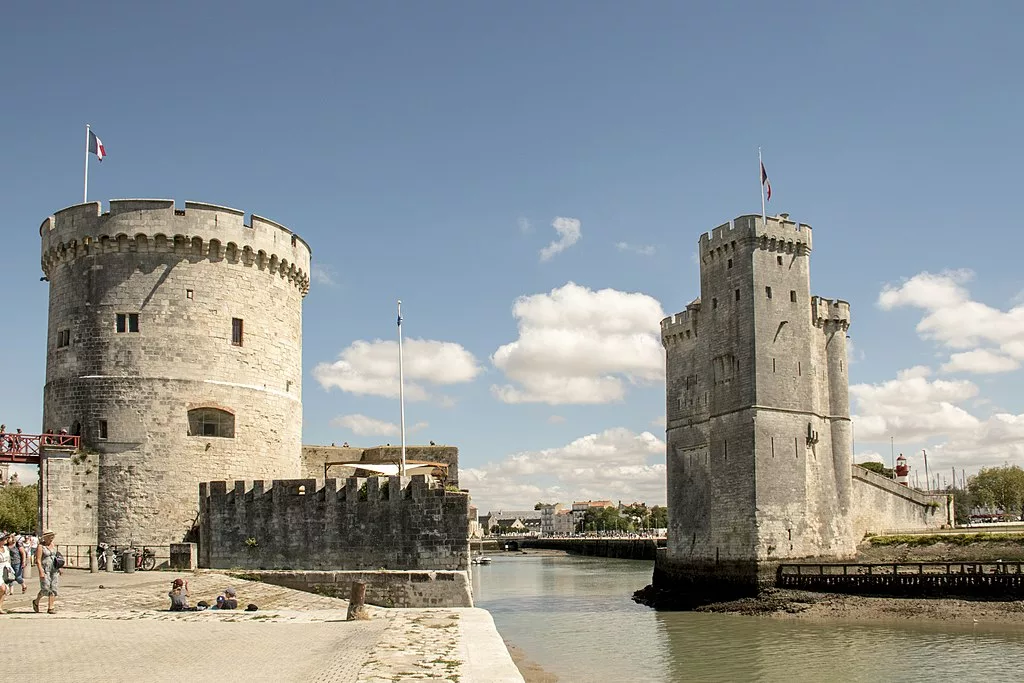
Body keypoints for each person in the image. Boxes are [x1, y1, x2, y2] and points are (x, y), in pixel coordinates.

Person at [33, 530, 60, 614]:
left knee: (53, 587)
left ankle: (51, 607)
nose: (52, 538)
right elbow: (38, 560)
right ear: (46, 537)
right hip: (45, 569)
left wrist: (59, 567)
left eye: (52, 536)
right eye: (50, 536)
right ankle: (36, 601)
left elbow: (56, 557)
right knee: (45, 588)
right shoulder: (41, 546)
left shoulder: (53, 545)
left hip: (54, 569)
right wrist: (41, 571)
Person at [0, 533, 13, 613]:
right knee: (2, 588)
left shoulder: (6, 548)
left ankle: (0, 607)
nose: (6, 540)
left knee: (5, 590)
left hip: (6, 570)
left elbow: (9, 559)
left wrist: (10, 569)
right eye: (4, 539)